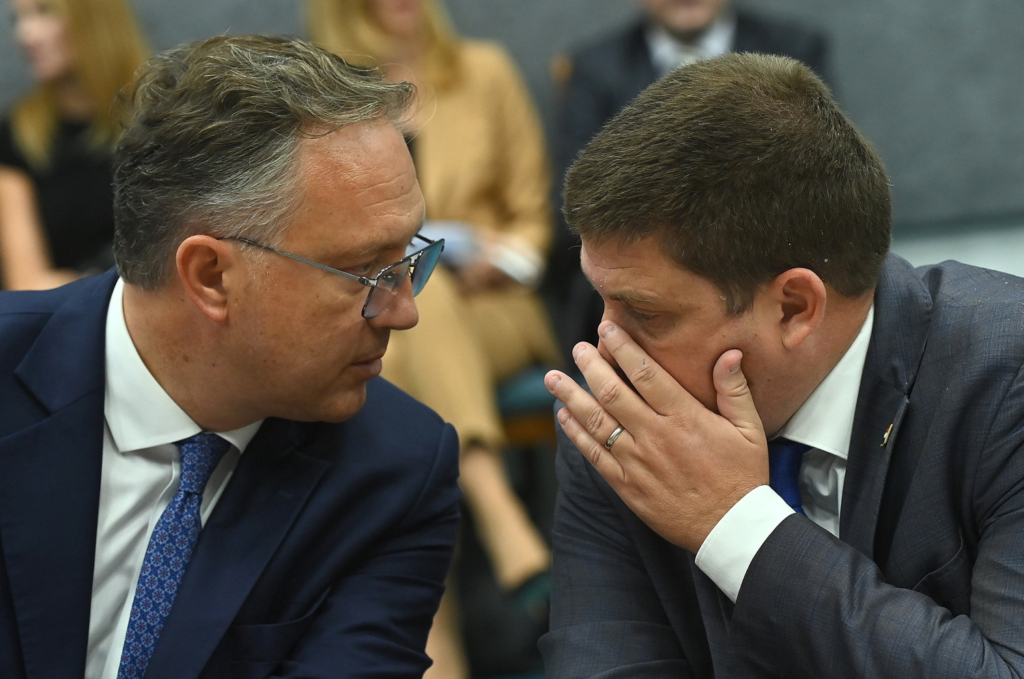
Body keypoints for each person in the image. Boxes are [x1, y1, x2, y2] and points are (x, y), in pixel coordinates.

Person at [540, 53, 1024, 677]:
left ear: (795, 308)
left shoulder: (1005, 375)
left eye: (646, 314)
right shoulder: (619, 426)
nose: (606, 350)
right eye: (600, 303)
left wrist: (739, 527)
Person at [0, 35, 460, 679]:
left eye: (408, 258)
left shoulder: (394, 471)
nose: (404, 312)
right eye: (366, 272)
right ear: (211, 276)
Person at [307, 1, 558, 676]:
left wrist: (497, 256)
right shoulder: (328, 99)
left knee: (420, 285)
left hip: (494, 306)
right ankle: (498, 513)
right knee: (411, 285)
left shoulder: (484, 71)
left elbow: (535, 219)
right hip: (389, 313)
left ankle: (435, 649)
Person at [546, 0, 828, 362]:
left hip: (765, 277)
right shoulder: (595, 67)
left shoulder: (793, 48)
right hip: (642, 291)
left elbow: (819, 179)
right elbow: (575, 205)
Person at [0, 0, 148, 290]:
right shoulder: (17, 136)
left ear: (94, 16)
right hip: (72, 313)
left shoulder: (164, 120)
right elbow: (28, 283)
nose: (25, 34)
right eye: (18, 19)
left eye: (45, 12)